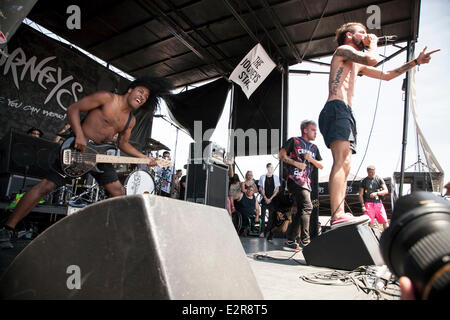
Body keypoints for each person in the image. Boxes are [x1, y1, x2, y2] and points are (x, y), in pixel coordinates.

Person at [0, 77, 172, 248]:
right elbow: (74, 109)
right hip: (78, 150)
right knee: (45, 187)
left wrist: (146, 159)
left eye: (146, 97)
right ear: (130, 90)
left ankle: (114, 235)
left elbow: (123, 144)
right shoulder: (106, 98)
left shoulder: (130, 121)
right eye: (140, 91)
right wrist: (79, 135)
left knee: (118, 191)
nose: (142, 97)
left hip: (101, 156)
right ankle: (8, 228)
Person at [318, 22, 439, 229]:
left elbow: (388, 75)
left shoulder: (356, 63)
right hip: (336, 107)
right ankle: (337, 214)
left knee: (346, 163)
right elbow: (372, 59)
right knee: (341, 160)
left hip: (345, 111)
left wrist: (415, 61)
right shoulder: (344, 50)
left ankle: (340, 213)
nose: (366, 35)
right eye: (362, 32)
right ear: (349, 35)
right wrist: (373, 42)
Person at [279, 120, 323, 249]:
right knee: (308, 206)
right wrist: (296, 163)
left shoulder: (314, 148)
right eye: (313, 130)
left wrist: (310, 159)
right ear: (305, 130)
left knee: (300, 211)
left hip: (307, 182)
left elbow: (321, 165)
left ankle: (291, 240)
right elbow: (281, 155)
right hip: (295, 179)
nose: (316, 133)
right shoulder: (294, 141)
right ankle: (305, 240)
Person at [359, 165, 389, 230]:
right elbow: (360, 194)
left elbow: (386, 191)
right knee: (370, 222)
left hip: (378, 203)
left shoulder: (378, 178)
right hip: (368, 203)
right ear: (367, 172)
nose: (372, 174)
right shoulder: (364, 181)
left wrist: (376, 193)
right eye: (371, 172)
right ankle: (371, 238)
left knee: (385, 220)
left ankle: (388, 236)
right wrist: (362, 205)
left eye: (373, 172)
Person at [258, 163, 280, 238]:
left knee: (271, 216)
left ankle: (267, 231)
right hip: (264, 199)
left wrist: (270, 199)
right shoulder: (262, 177)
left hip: (272, 199)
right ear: (267, 168)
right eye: (269, 167)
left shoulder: (276, 177)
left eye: (272, 167)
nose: (271, 169)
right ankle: (262, 232)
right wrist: (265, 198)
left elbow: (277, 189)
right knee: (263, 216)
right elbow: (260, 188)